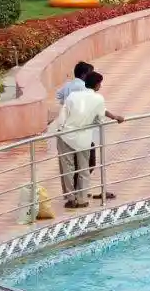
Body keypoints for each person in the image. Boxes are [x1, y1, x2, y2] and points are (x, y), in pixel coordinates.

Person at [53, 70, 124, 208]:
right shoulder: (98, 99)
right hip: (83, 138)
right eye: (100, 83)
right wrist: (115, 117)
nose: (101, 86)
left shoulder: (73, 96)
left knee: (68, 168)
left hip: (65, 135)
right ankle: (82, 199)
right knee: (84, 168)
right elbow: (100, 118)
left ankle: (71, 198)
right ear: (97, 85)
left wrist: (61, 130)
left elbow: (63, 115)